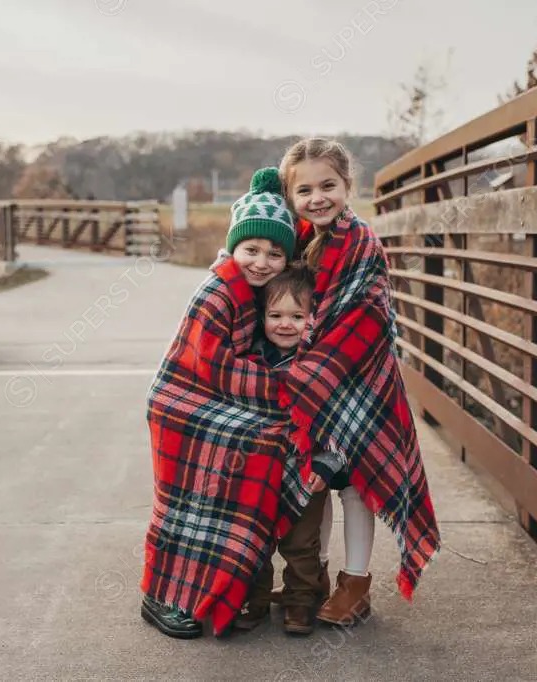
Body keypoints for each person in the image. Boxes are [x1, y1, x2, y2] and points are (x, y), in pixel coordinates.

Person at [272, 137, 442, 625]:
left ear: (348, 186)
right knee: (317, 481)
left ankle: (357, 583)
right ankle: (316, 577)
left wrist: (308, 372)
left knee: (356, 486)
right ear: (291, 194)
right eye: (305, 190)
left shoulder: (361, 242)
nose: (318, 197)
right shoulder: (299, 240)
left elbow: (365, 315)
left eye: (328, 185)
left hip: (360, 383)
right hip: (317, 385)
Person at [140, 167, 315, 639]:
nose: (261, 262)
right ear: (233, 246)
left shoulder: (257, 291)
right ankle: (160, 596)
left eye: (275, 253)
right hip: (181, 404)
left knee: (267, 450)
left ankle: (224, 582)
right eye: (251, 250)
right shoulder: (218, 290)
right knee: (185, 503)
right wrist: (284, 392)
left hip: (218, 402)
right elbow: (213, 364)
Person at [232, 264, 332, 635]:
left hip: (306, 467)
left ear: (313, 318)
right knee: (253, 535)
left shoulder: (320, 363)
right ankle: (253, 599)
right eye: (275, 315)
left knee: (302, 542)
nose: (285, 324)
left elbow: (336, 421)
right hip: (257, 467)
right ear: (262, 317)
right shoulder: (250, 359)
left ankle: (300, 602)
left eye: (297, 316)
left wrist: (326, 464)